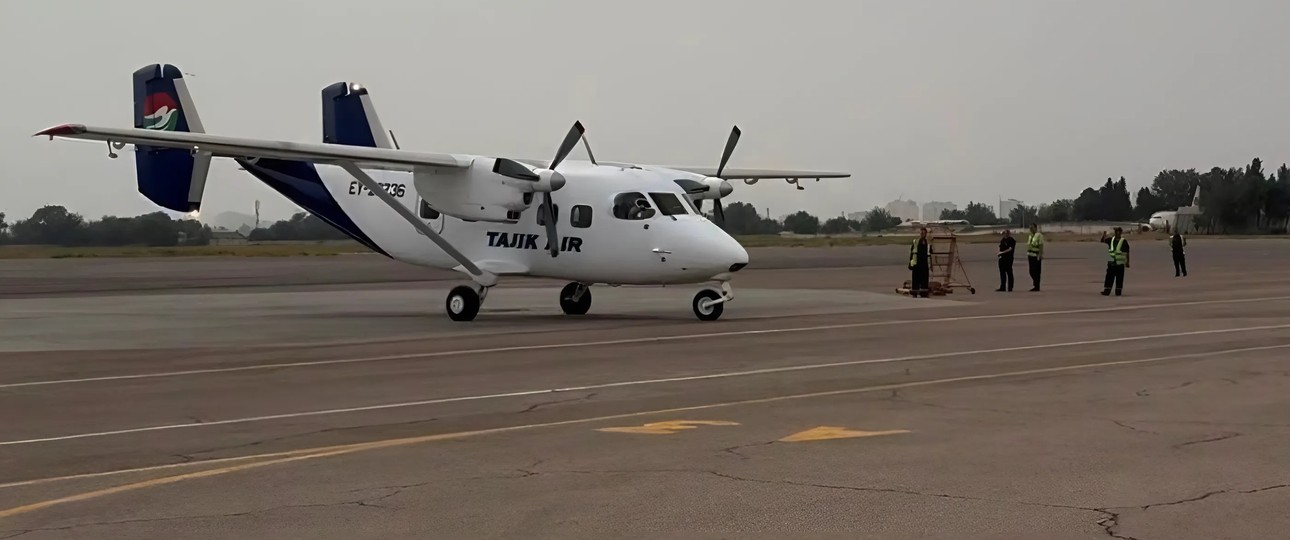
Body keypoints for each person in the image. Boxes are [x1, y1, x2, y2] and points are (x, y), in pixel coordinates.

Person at [1100, 227, 1130, 296]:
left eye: (1119, 232)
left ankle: (1118, 291)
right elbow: (1102, 241)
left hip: (1120, 263)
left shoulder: (1123, 241)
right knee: (1109, 277)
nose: (1118, 233)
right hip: (1112, 263)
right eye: (1116, 231)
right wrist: (1104, 235)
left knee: (1119, 278)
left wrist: (1127, 262)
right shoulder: (1111, 240)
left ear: (1121, 233)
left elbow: (1127, 252)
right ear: (1115, 232)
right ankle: (1107, 290)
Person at [908, 227, 932, 298]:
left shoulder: (928, 244)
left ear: (926, 234)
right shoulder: (915, 242)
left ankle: (923, 293)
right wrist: (911, 264)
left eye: (923, 233)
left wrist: (930, 265)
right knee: (916, 280)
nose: (922, 234)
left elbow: (930, 254)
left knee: (924, 280)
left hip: (924, 265)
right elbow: (912, 254)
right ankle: (915, 292)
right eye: (921, 233)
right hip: (916, 265)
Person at [1025, 223, 1044, 291]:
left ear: (1035, 228)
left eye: (1032, 228)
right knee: (1031, 271)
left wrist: (1040, 254)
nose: (1031, 229)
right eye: (1030, 228)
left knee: (1037, 272)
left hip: (1036, 255)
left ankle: (1037, 286)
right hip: (1030, 255)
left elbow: (1041, 245)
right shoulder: (1030, 236)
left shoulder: (1039, 235)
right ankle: (1035, 284)